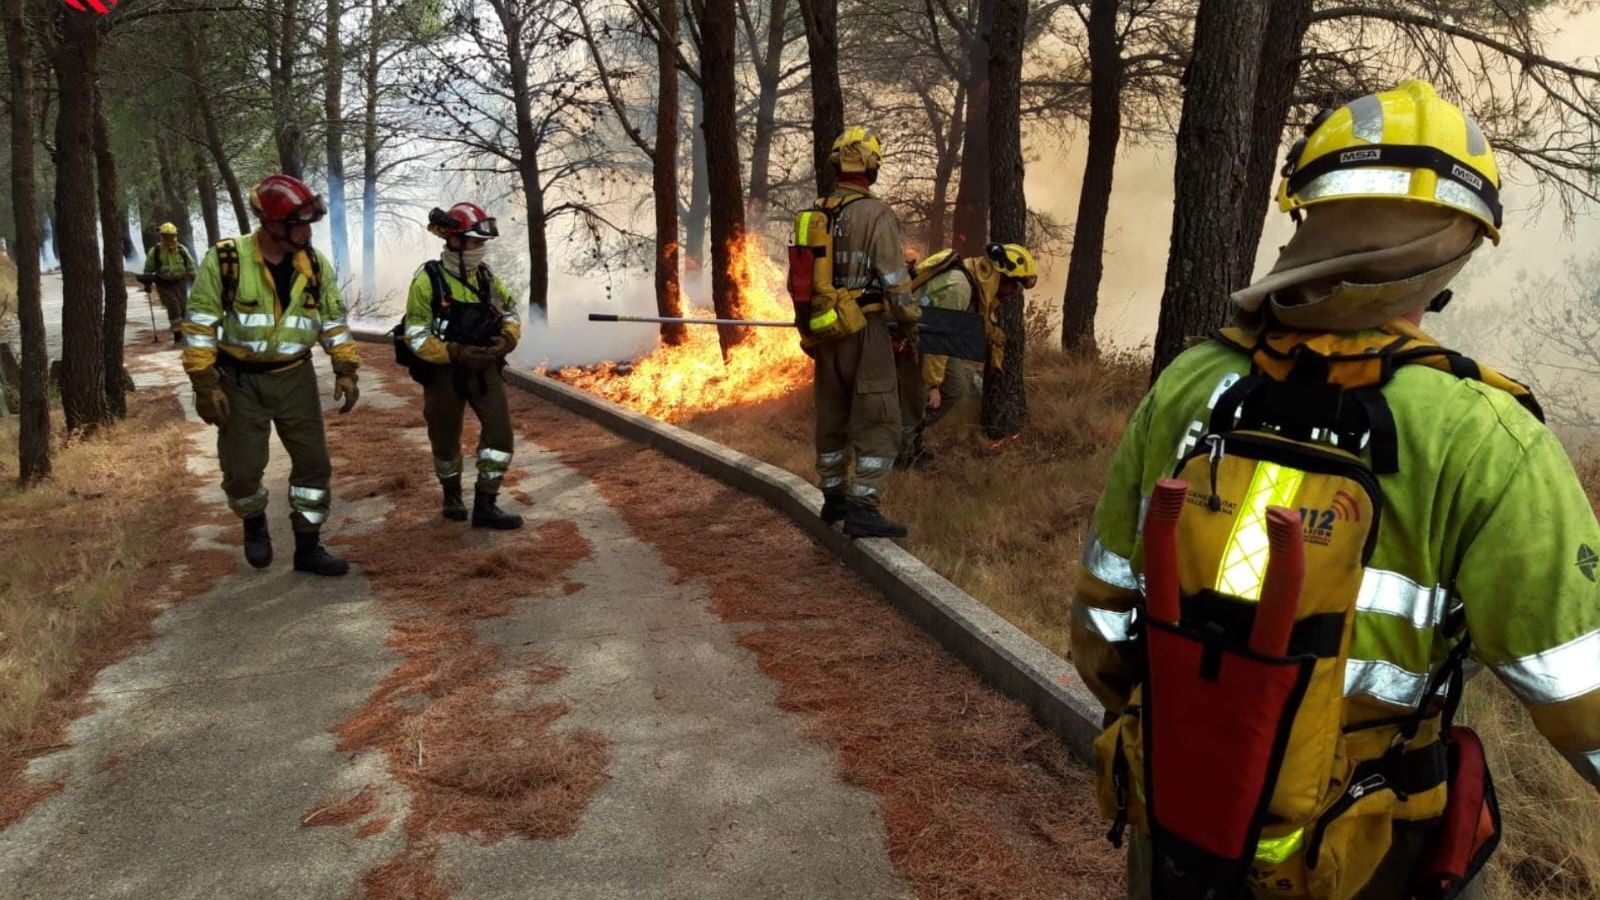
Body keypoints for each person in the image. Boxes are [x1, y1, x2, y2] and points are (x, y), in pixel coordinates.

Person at [1070, 80, 1599, 899]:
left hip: (1180, 820)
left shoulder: (1192, 380)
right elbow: (1582, 697)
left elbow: (1104, 619)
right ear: (1460, 249)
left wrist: (1194, 737)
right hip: (1362, 852)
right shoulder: (1486, 437)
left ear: (1305, 216)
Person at [181, 174, 360, 577]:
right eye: (298, 223)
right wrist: (205, 384)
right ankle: (253, 520)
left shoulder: (313, 264)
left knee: (314, 465)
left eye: (309, 223)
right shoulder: (227, 261)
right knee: (242, 469)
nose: (306, 232)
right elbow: (199, 326)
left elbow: (332, 320)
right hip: (238, 381)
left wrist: (345, 367)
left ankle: (308, 546)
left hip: (295, 377)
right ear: (271, 223)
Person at [800, 126, 921, 538]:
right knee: (878, 417)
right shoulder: (876, 214)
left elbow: (801, 279)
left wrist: (808, 330)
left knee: (831, 417)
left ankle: (832, 499)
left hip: (824, 331)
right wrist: (909, 321)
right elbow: (894, 278)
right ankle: (864, 508)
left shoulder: (815, 211)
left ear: (837, 164)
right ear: (871, 166)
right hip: (864, 330)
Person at [399, 202, 523, 530]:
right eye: (474, 242)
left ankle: (486, 504)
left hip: (485, 371)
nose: (480, 249)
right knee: (445, 439)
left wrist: (507, 340)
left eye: (482, 243)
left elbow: (510, 313)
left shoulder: (486, 278)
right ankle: (451, 494)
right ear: (454, 241)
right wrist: (455, 352)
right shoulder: (428, 280)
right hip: (444, 374)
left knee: (500, 437)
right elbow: (415, 334)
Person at [893, 243, 1037, 468]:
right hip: (914, 339)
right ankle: (902, 454)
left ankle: (909, 434)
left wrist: (994, 339)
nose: (1013, 293)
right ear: (998, 276)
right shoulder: (958, 287)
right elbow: (935, 336)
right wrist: (933, 385)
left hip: (934, 341)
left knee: (956, 389)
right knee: (916, 399)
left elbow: (972, 321)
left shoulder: (976, 283)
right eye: (1013, 285)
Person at [143, 222, 196, 345]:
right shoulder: (155, 251)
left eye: (172, 236)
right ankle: (177, 335)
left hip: (180, 282)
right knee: (173, 307)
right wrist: (147, 284)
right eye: (166, 236)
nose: (169, 239)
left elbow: (191, 266)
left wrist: (196, 281)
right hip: (164, 283)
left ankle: (185, 334)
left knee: (183, 308)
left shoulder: (182, 250)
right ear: (161, 237)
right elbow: (148, 268)